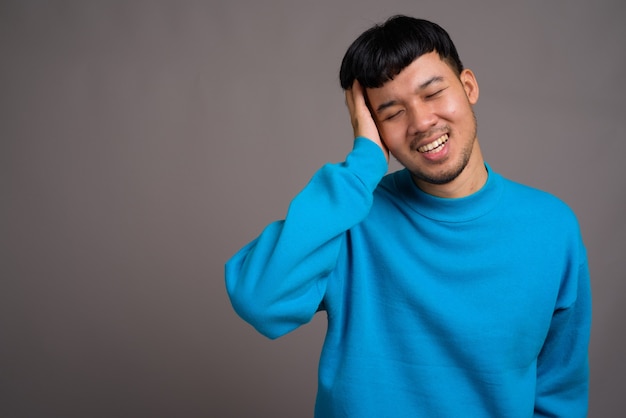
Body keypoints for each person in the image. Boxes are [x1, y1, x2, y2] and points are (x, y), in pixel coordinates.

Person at [225, 15, 591, 417]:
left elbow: (559, 391)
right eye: (392, 112)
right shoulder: (350, 220)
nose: (421, 123)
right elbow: (260, 299)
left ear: (468, 87)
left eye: (433, 93)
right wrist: (363, 165)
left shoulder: (552, 227)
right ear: (373, 127)